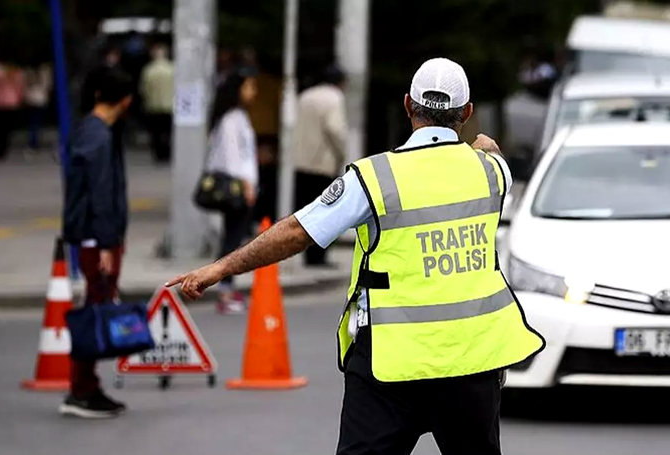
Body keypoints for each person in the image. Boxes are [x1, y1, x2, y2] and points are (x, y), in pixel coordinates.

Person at [166, 57, 546, 454]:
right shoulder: (492, 173)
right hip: (472, 363)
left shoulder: (374, 178)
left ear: (406, 105)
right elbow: (491, 151)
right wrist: (483, 146)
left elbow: (298, 231)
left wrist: (221, 267)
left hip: (389, 363)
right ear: (467, 113)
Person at [60, 68, 134, 419]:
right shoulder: (100, 137)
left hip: (93, 235)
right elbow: (101, 194)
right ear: (125, 100)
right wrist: (107, 243)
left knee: (95, 306)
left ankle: (86, 386)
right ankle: (82, 389)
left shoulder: (88, 130)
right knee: (95, 310)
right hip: (96, 238)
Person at [203, 66, 259, 314]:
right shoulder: (231, 119)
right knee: (232, 240)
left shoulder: (237, 116)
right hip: (237, 187)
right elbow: (233, 158)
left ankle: (227, 287)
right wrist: (246, 185)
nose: (253, 92)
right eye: (249, 86)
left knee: (234, 237)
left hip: (242, 186)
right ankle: (225, 290)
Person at [292, 64, 347, 267]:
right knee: (326, 211)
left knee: (306, 211)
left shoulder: (305, 96)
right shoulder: (334, 98)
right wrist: (342, 153)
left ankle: (307, 254)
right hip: (323, 163)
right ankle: (319, 257)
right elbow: (335, 128)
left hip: (301, 161)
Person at [139, 43, 174, 163]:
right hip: (170, 105)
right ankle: (168, 153)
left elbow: (144, 89)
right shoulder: (172, 69)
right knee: (168, 132)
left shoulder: (148, 70)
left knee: (156, 133)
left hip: (154, 105)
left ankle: (159, 154)